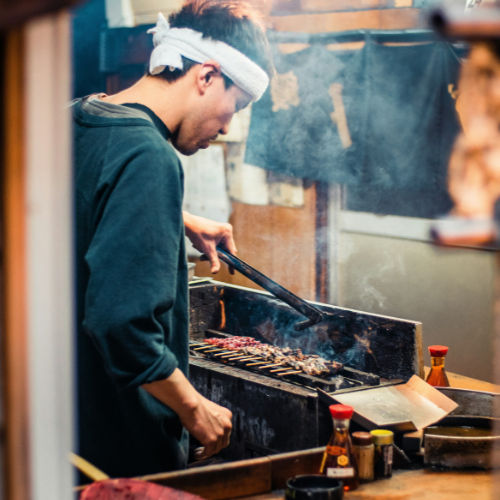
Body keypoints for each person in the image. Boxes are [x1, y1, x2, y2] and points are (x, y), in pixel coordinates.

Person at [73, 0, 274, 479]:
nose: (228, 127)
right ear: (205, 76)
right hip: (117, 453)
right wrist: (193, 409)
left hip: (59, 430)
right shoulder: (150, 157)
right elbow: (120, 324)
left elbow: (79, 192)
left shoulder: (80, 116)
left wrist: (174, 216)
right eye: (236, 106)